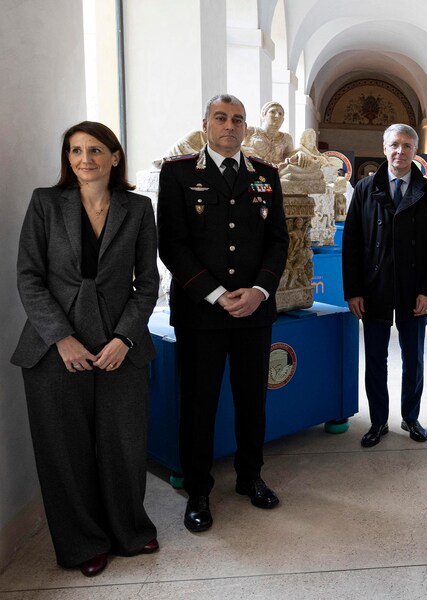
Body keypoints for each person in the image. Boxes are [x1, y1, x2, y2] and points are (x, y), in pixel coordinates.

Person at [12, 121, 159, 577]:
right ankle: (82, 544)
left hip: (120, 345)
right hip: (53, 348)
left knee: (124, 445)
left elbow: (148, 284)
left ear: (114, 157)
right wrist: (62, 337)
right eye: (75, 151)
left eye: (95, 149)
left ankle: (128, 531)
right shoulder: (45, 203)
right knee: (64, 450)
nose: (84, 159)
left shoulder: (137, 208)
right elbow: (29, 277)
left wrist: (125, 338)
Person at [157, 94, 289, 532]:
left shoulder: (267, 175)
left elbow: (278, 241)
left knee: (252, 400)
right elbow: (171, 243)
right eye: (221, 118)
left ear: (246, 128)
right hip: (201, 313)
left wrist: (259, 290)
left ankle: (250, 476)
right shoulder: (178, 173)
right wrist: (215, 293)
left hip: (254, 310)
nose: (229, 126)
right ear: (206, 124)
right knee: (199, 403)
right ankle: (198, 489)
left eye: (237, 120)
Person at [342, 123, 427, 448]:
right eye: (394, 145)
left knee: (413, 358)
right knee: (375, 358)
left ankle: (411, 417)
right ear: (384, 148)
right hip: (374, 288)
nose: (400, 151)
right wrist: (353, 291)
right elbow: (352, 243)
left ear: (415, 151)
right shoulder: (364, 188)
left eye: (406, 145)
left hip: (414, 291)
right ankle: (377, 422)